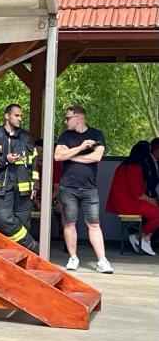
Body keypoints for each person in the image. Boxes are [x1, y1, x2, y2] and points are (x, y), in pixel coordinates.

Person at [54, 104, 113, 273]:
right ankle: (73, 258)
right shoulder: (65, 136)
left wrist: (71, 155)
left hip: (89, 188)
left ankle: (102, 261)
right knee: (69, 223)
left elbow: (97, 156)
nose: (65, 121)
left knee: (94, 224)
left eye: (68, 118)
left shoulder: (96, 134)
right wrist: (80, 148)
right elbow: (57, 156)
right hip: (68, 187)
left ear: (78, 118)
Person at [0, 104, 39, 252]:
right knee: (3, 219)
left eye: (21, 116)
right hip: (2, 188)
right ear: (7, 116)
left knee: (24, 223)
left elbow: (34, 164)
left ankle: (22, 258)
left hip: (23, 189)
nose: (20, 119)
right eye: (16, 115)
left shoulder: (26, 138)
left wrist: (35, 185)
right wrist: (4, 160)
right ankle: (33, 247)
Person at [106, 141, 158, 255]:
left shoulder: (124, 166)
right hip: (128, 204)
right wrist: (152, 201)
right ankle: (143, 238)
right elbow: (137, 194)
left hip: (124, 203)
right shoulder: (133, 168)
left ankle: (142, 237)